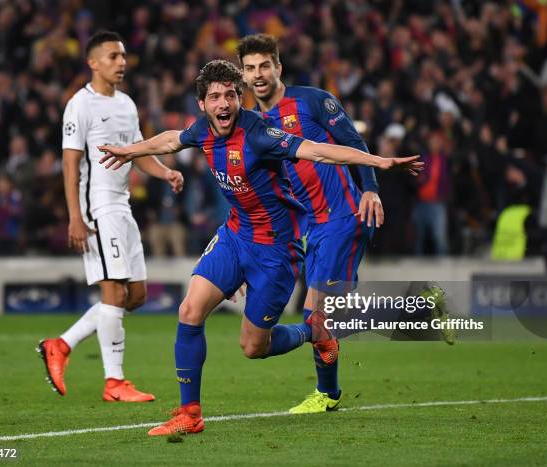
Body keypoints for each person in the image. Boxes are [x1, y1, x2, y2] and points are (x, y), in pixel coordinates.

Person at [99, 59, 422, 435]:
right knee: (189, 311)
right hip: (235, 237)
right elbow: (172, 138)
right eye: (215, 97)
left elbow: (318, 151)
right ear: (202, 104)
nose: (224, 104)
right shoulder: (203, 129)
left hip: (275, 252)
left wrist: (377, 163)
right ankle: (189, 414)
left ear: (240, 99)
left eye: (231, 96)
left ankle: (313, 334)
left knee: (253, 347)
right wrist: (131, 151)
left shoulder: (260, 135)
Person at [36, 31, 184, 402]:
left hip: (122, 204)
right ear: (93, 62)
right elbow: (70, 166)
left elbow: (137, 152)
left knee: (135, 296)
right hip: (98, 207)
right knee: (114, 291)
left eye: (123, 56)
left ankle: (62, 344)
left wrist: (164, 172)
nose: (122, 62)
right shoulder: (79, 105)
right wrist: (75, 216)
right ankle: (114, 382)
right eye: (114, 56)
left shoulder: (127, 104)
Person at [237, 33, 381, 414]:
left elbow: (354, 142)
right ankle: (417, 307)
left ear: (278, 67)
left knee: (316, 313)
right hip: (311, 228)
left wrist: (370, 188)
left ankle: (327, 394)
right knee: (328, 316)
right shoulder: (250, 125)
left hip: (344, 215)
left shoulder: (313, 100)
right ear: (243, 75)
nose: (258, 74)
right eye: (250, 68)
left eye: (265, 65)